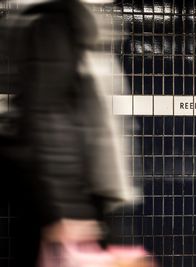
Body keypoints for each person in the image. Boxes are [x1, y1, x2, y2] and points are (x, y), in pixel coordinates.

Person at [0, 0, 137, 266]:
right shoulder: (50, 21)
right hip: (71, 201)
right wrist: (66, 207)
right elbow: (46, 113)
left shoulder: (65, 18)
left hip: (80, 195)